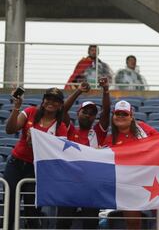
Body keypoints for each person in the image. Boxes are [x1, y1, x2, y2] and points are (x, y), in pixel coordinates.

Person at [4, 87, 68, 229]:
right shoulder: (30, 112)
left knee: (31, 210)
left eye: (55, 100)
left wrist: (38, 144)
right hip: (16, 164)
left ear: (61, 105)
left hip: (37, 169)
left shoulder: (61, 127)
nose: (51, 102)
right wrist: (16, 108)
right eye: (48, 98)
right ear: (43, 100)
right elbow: (10, 129)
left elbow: (58, 154)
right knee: (10, 204)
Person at [103, 100, 159, 229]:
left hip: (151, 179)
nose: (121, 116)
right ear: (113, 116)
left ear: (131, 117)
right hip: (129, 184)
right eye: (118, 114)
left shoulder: (142, 128)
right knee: (133, 223)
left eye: (124, 114)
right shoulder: (110, 139)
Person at [55, 78, 110, 229]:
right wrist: (79, 90)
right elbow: (62, 111)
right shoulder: (70, 130)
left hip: (91, 185)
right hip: (69, 184)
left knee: (90, 224)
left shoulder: (98, 132)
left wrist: (105, 90)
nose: (88, 115)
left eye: (92, 113)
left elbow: (106, 112)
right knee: (63, 223)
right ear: (78, 113)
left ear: (95, 118)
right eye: (85, 111)